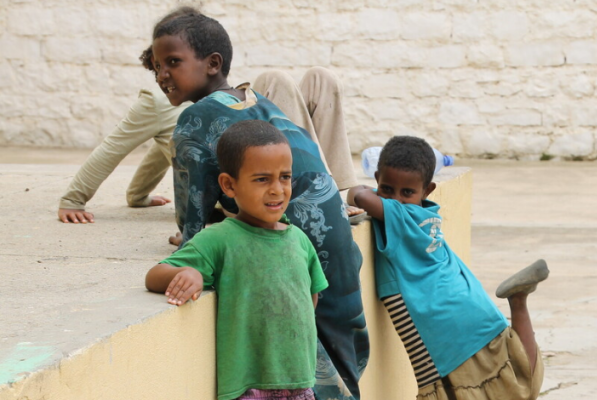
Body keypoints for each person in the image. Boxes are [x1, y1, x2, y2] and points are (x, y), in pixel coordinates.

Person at [146, 10, 368, 400]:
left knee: (311, 368)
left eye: (173, 63)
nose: (162, 74)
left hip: (288, 239)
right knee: (337, 343)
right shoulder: (258, 100)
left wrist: (191, 244)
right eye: (157, 66)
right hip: (332, 231)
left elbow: (192, 220)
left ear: (212, 63)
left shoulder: (193, 119)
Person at [347, 136, 547, 399]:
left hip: (440, 320)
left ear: (427, 190)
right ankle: (518, 302)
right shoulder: (427, 215)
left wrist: (365, 191)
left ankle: (518, 300)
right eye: (387, 189)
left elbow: (357, 195)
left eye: (406, 192)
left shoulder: (400, 216)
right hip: (470, 303)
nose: (395, 200)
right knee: (522, 383)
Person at [146, 121, 327, 400]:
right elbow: (156, 273)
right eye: (262, 179)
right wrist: (188, 273)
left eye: (285, 177)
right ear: (229, 185)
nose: (277, 189)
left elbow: (310, 298)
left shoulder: (299, 240)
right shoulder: (220, 238)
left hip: (300, 382)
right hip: (247, 387)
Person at [56, 89, 189, 223]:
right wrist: (72, 201)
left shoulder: (202, 98)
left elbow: (171, 142)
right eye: (157, 68)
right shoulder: (163, 101)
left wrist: (137, 195)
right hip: (201, 204)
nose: (162, 75)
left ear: (210, 67)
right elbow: (113, 148)